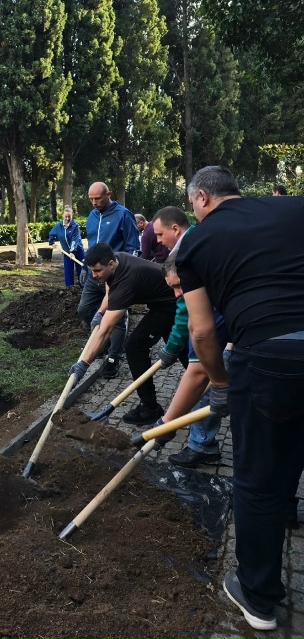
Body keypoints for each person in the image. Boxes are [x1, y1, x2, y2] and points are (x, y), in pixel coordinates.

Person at [177, 165, 304, 631]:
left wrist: (223, 383)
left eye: (193, 204)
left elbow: (202, 329)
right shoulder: (295, 207)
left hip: (269, 360)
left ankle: (258, 598)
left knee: (257, 481)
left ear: (203, 198)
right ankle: (289, 509)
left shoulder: (196, 240)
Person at [68, 242, 187, 423]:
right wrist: (100, 313)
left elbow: (106, 330)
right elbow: (110, 287)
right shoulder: (118, 260)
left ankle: (150, 408)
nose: (94, 275)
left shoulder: (127, 281)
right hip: (161, 303)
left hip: (170, 304)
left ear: (110, 264)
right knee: (182, 350)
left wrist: (84, 364)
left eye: (97, 270)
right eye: (91, 270)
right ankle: (207, 381)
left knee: (134, 347)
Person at [149, 206, 224, 465]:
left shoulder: (188, 258)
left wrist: (165, 424)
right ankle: (203, 443)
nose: (157, 240)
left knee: (203, 385)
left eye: (159, 234)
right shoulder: (198, 249)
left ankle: (201, 445)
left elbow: (199, 371)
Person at [77, 182, 140, 378]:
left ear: (109, 194)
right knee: (85, 310)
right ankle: (104, 342)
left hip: (114, 276)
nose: (94, 203)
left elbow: (133, 246)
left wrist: (127, 274)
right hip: (93, 274)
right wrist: (84, 267)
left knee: (117, 319)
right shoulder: (92, 216)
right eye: (91, 199)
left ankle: (114, 358)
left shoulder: (123, 214)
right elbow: (91, 245)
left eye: (98, 198)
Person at [48, 205, 86, 287]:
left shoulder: (75, 226)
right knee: (68, 272)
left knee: (82, 270)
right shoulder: (58, 226)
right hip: (66, 252)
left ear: (72, 216)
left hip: (78, 251)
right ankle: (70, 289)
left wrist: (72, 252)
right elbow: (52, 234)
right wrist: (51, 242)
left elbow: (74, 240)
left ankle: (84, 288)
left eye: (69, 216)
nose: (67, 219)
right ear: (63, 216)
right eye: (66, 216)